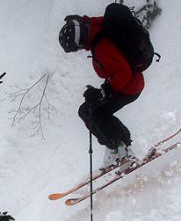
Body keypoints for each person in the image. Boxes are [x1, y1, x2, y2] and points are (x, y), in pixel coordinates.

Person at [59, 9, 145, 170]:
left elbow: (123, 73)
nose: (80, 49)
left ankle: (118, 151)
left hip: (128, 86)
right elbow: (91, 23)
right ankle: (123, 147)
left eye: (76, 47)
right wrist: (78, 21)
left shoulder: (101, 47)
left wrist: (104, 92)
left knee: (91, 112)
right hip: (129, 83)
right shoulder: (95, 29)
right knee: (96, 111)